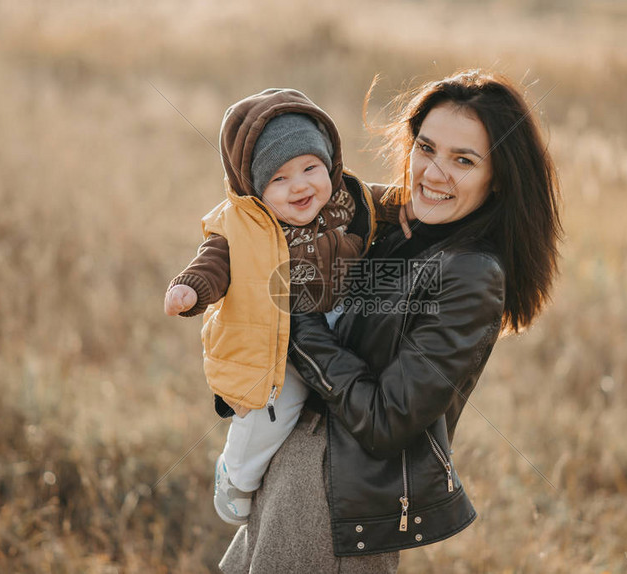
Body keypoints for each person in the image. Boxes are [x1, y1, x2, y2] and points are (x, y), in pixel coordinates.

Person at [219, 69, 562, 573]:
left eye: (463, 160)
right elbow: (300, 206)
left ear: (499, 177)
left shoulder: (471, 274)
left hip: (332, 501)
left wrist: (292, 317)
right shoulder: (395, 223)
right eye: (426, 149)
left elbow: (387, 421)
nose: (434, 173)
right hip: (295, 471)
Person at [163, 88, 392, 526]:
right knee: (276, 409)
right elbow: (212, 262)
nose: (301, 185)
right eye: (280, 179)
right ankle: (236, 474)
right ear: (255, 187)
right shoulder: (241, 225)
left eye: (310, 168)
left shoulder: (348, 198)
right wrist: (190, 289)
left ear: (330, 164)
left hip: (339, 321)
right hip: (277, 339)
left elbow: (387, 200)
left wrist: (412, 204)